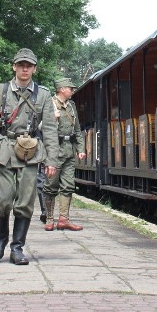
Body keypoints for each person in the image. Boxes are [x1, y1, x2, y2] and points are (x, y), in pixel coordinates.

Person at [0, 48, 59, 265]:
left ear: (34, 69)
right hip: (4, 149)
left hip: (31, 152)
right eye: (21, 64)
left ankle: (17, 248)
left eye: (29, 65)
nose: (25, 68)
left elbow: (50, 129)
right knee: (1, 201)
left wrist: (52, 160)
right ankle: (1, 238)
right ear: (14, 66)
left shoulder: (43, 94)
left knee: (24, 203)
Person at [43, 77, 87, 231]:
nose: (72, 91)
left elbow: (77, 129)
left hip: (69, 151)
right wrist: (50, 118)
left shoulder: (71, 106)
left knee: (68, 186)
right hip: (53, 151)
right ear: (62, 89)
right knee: (50, 186)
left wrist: (81, 149)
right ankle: (49, 219)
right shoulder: (49, 104)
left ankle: (64, 220)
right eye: (70, 88)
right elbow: (39, 126)